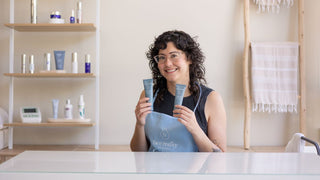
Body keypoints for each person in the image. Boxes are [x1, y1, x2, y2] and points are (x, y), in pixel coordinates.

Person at [130, 30, 226, 152]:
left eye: (174, 55)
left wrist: (195, 129)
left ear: (189, 58)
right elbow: (138, 153)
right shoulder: (149, 95)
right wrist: (139, 124)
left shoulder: (211, 99)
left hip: (193, 171)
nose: (167, 63)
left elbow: (220, 156)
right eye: (162, 57)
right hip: (153, 170)